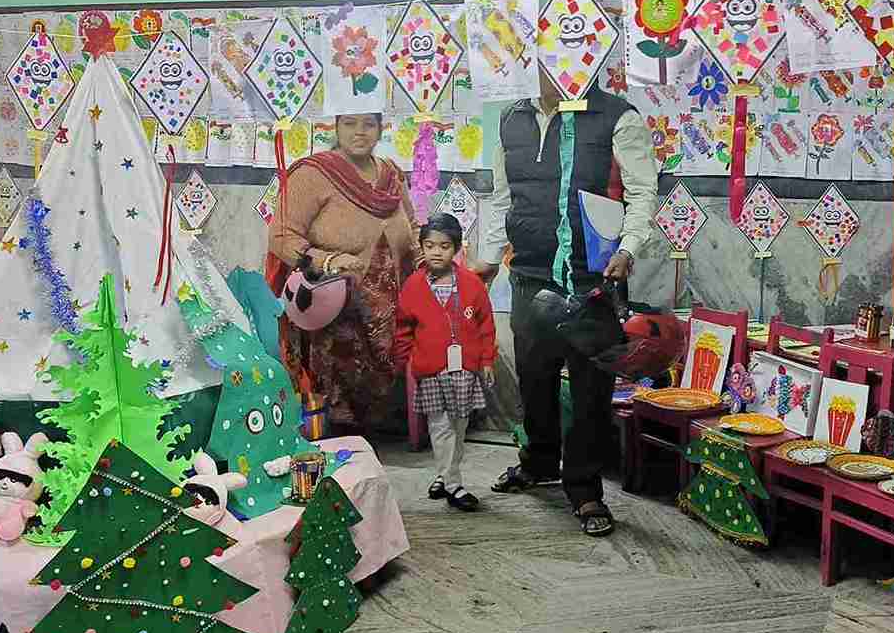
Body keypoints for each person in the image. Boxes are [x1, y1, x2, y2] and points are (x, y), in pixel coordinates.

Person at [474, 72, 658, 536]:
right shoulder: (512, 119)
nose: (553, 68)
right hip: (529, 275)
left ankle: (585, 488)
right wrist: (490, 259)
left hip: (592, 279)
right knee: (534, 380)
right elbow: (501, 197)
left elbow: (641, 191)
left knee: (590, 390)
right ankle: (538, 462)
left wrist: (628, 247)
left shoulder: (617, 116)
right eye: (541, 56)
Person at [266, 113, 417, 434]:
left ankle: (378, 429)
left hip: (388, 315)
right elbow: (281, 237)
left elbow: (413, 229)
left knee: (380, 421)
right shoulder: (313, 174)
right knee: (337, 423)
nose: (359, 132)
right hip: (330, 312)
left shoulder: (391, 176)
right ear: (335, 127)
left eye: (369, 124)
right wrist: (328, 260)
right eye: (349, 123)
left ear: (381, 128)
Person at [395, 213, 496, 512]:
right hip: (429, 370)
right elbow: (402, 329)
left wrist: (487, 361)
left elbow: (486, 326)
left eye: (444, 246)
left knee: (458, 427)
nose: (436, 252)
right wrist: (406, 362)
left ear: (456, 249)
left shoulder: (472, 284)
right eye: (429, 246)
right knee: (439, 426)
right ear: (422, 248)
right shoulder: (413, 286)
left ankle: (443, 474)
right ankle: (454, 485)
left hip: (464, 370)